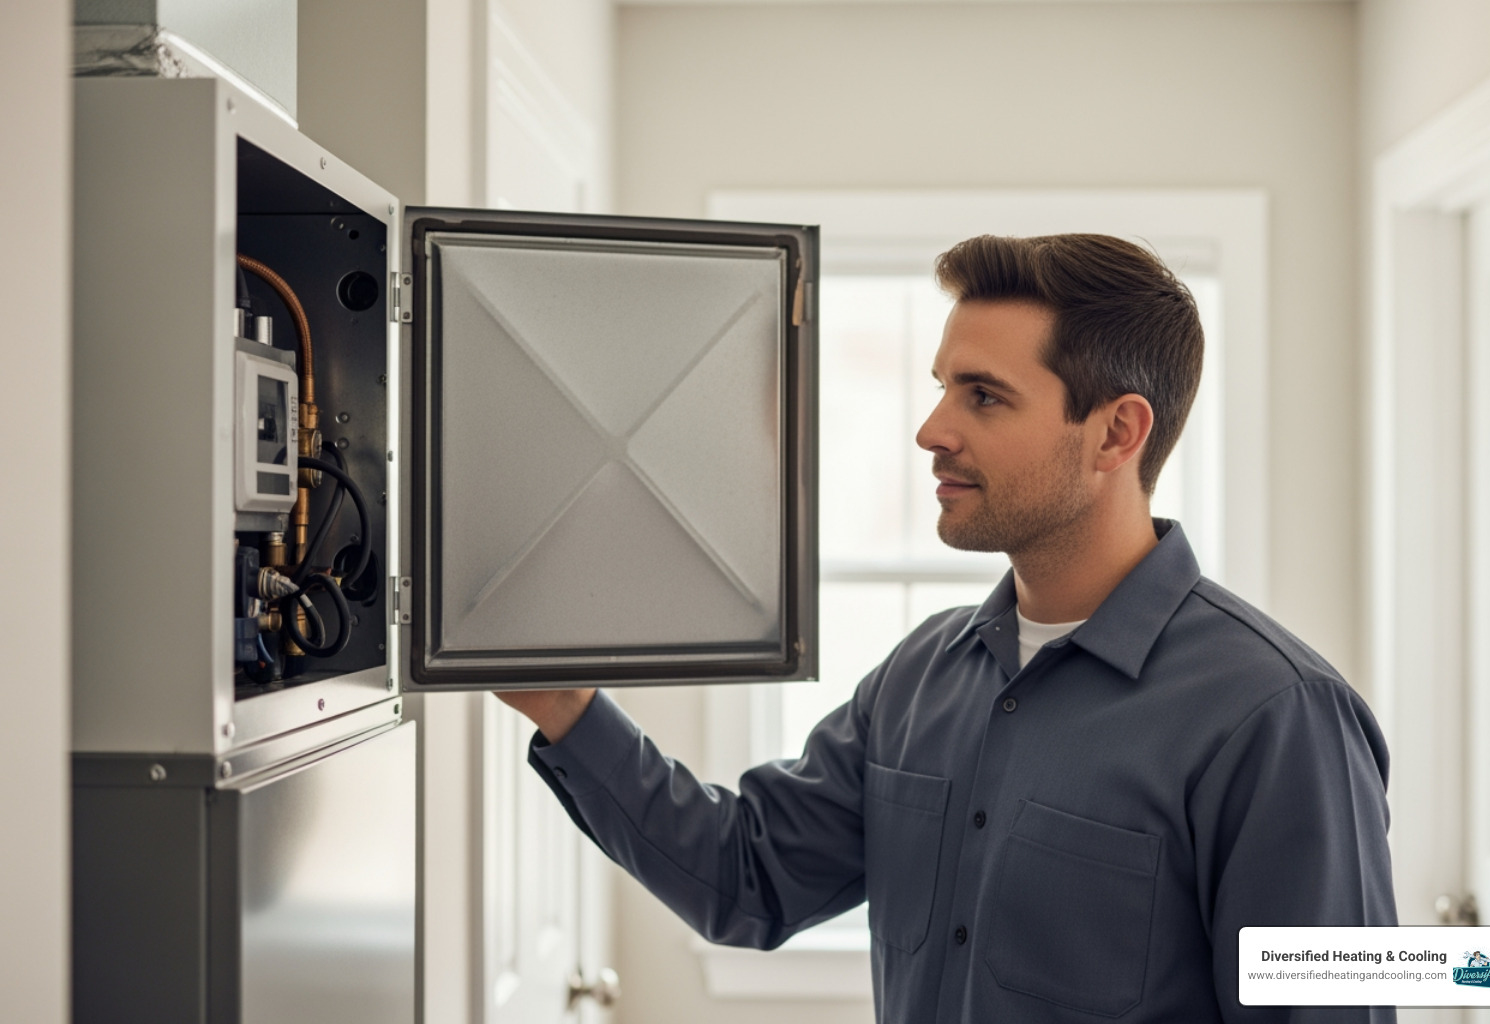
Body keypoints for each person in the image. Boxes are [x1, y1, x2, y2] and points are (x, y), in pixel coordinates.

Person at [497, 233, 1397, 1023]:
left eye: (984, 397)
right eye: (940, 389)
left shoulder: (1281, 717)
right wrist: (566, 708)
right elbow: (749, 878)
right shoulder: (922, 674)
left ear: (1118, 432)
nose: (931, 430)